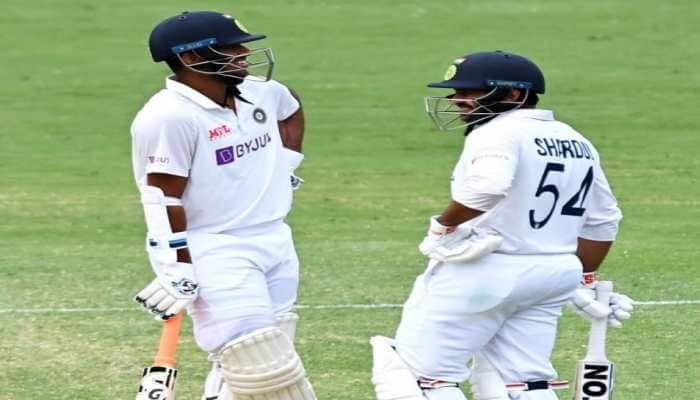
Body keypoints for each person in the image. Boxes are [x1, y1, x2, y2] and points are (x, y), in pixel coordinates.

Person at [370, 51, 634, 400]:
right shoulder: (576, 140)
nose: (458, 100)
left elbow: (488, 187)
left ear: (514, 94)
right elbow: (604, 219)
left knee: (417, 377)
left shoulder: (496, 133)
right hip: (553, 275)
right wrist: (583, 279)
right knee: (524, 381)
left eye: (471, 92)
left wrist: (443, 227)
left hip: (484, 270)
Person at [129, 11, 316, 400]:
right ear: (192, 59)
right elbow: (162, 197)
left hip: (276, 239)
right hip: (217, 247)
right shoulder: (167, 117)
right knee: (261, 365)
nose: (243, 56)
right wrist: (174, 266)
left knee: (256, 361)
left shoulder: (262, 92)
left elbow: (290, 106)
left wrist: (287, 164)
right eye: (230, 49)